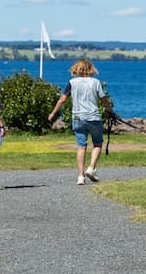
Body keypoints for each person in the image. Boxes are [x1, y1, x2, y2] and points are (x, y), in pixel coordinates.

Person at [47, 58, 109, 186]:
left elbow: (62, 99)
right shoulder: (96, 82)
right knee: (97, 143)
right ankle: (91, 168)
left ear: (77, 68)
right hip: (94, 118)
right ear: (91, 68)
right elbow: (103, 99)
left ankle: (80, 176)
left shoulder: (72, 82)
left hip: (78, 118)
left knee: (81, 146)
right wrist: (111, 111)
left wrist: (53, 113)